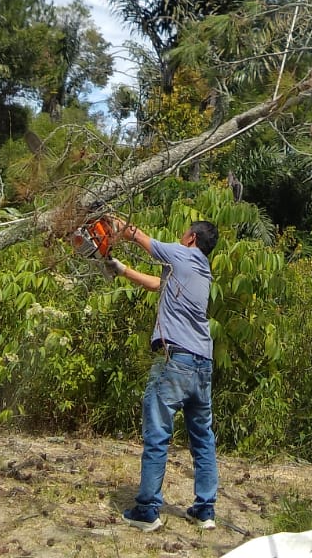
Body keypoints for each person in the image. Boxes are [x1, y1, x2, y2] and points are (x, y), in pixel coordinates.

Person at [106, 215, 220, 534]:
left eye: (184, 233)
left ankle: (147, 510)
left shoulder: (182, 253)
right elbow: (159, 284)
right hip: (202, 363)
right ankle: (204, 509)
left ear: (191, 238)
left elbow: (141, 237)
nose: (181, 236)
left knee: (157, 433)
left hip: (177, 360)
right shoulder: (201, 270)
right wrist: (122, 270)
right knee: (202, 437)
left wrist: (110, 218)